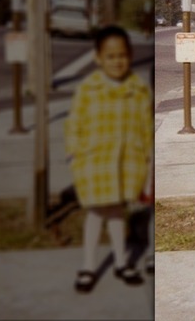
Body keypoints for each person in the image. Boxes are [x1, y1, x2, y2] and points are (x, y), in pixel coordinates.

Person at [65, 25, 152, 293]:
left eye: (123, 55)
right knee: (95, 215)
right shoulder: (88, 89)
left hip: (126, 166)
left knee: (116, 215)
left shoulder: (137, 89)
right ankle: (89, 266)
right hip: (94, 166)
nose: (118, 61)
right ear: (98, 58)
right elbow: (74, 126)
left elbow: (146, 129)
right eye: (111, 56)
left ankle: (121, 262)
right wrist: (76, 156)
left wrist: (148, 166)